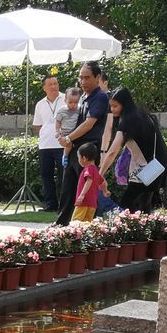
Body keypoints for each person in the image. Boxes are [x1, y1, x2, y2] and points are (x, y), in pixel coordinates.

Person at [99, 87, 167, 213]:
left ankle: (131, 231)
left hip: (147, 169)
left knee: (126, 205)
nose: (112, 110)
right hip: (158, 166)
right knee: (145, 205)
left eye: (115, 106)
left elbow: (112, 151)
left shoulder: (127, 121)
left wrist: (99, 174)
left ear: (124, 104)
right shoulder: (143, 115)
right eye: (111, 106)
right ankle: (148, 230)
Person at [56, 62, 109, 225]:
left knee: (85, 192)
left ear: (97, 77)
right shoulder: (84, 97)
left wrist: (68, 139)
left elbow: (89, 123)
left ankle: (86, 227)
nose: (83, 82)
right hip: (75, 150)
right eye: (81, 78)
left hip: (88, 150)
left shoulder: (100, 97)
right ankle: (61, 225)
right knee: (68, 189)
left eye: (87, 78)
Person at [32, 74, 66, 212]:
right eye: (50, 84)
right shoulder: (40, 104)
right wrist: (47, 132)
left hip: (62, 144)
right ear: (44, 88)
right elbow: (37, 125)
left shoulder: (65, 99)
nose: (53, 86)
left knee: (64, 175)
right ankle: (51, 204)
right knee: (46, 174)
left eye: (55, 83)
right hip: (45, 145)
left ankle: (64, 203)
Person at [71, 142, 105, 223]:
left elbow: (89, 180)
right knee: (86, 224)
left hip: (83, 202)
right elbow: (102, 182)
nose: (78, 160)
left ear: (84, 158)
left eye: (78, 158)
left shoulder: (88, 169)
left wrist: (82, 195)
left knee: (75, 223)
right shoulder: (95, 170)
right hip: (92, 204)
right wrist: (105, 191)